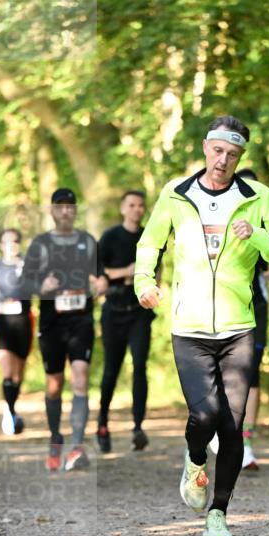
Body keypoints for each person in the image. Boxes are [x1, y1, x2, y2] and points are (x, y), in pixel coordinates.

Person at [134, 115, 269, 536]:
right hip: (189, 327)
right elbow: (150, 242)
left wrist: (256, 234)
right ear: (206, 148)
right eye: (218, 151)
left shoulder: (256, 196)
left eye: (233, 154)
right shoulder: (176, 193)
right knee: (204, 414)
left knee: (233, 424)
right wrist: (144, 282)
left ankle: (218, 514)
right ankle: (193, 458)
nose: (224, 160)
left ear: (241, 157)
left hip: (238, 326)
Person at [20, 188, 108, 472]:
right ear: (52, 211)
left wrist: (102, 282)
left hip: (81, 320)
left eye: (71, 206)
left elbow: (101, 274)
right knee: (55, 385)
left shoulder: (87, 241)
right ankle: (56, 439)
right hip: (52, 324)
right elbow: (24, 284)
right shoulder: (41, 244)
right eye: (61, 206)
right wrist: (40, 287)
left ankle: (78, 446)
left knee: (80, 376)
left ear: (76, 210)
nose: (66, 211)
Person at [210, 166, 269, 471]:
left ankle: (246, 443)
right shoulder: (218, 221)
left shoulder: (265, 227)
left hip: (257, 305)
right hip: (222, 303)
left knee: (251, 373)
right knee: (221, 370)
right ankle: (218, 430)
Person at [96, 190, 160, 453]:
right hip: (113, 311)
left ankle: (137, 427)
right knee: (111, 370)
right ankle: (102, 423)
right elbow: (100, 276)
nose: (137, 209)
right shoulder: (110, 237)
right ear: (123, 208)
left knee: (140, 367)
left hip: (139, 312)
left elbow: (156, 272)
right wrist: (126, 272)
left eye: (141, 205)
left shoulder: (150, 237)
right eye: (131, 205)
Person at [0, 228, 32, 436]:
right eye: (6, 242)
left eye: (15, 241)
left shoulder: (28, 265)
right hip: (2, 322)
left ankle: (11, 406)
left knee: (17, 374)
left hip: (23, 322)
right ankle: (10, 412)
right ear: (0, 245)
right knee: (6, 370)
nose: (11, 245)